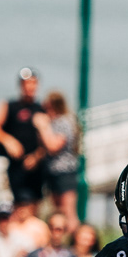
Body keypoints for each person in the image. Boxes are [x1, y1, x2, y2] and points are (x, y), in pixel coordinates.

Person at [0, 67, 45, 206]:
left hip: (36, 167)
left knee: (35, 203)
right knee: (19, 204)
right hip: (16, 166)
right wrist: (8, 141)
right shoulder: (10, 105)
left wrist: (36, 157)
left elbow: (47, 140)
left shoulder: (42, 108)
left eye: (33, 83)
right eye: (26, 83)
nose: (29, 87)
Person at [36, 91, 79, 228]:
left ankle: (74, 237)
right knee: (57, 210)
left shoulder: (63, 122)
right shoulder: (53, 122)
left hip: (65, 172)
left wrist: (42, 126)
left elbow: (53, 146)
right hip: (53, 172)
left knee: (68, 212)